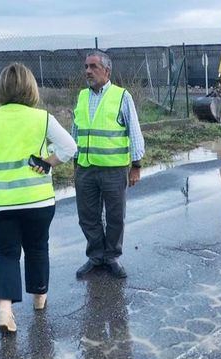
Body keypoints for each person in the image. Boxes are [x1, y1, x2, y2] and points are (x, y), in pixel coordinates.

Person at [0, 62, 77, 333]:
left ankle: (5, 311)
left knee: (6, 253)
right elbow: (70, 146)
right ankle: (39, 298)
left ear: (2, 88)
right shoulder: (41, 118)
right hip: (37, 201)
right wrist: (49, 162)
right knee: (37, 246)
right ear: (31, 88)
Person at [71, 50, 145, 280]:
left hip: (113, 169)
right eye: (86, 66)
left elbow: (134, 131)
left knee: (114, 216)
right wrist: (74, 159)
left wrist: (136, 165)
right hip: (85, 167)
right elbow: (76, 130)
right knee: (88, 215)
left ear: (107, 71)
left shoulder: (122, 96)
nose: (88, 71)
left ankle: (111, 256)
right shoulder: (82, 96)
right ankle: (96, 256)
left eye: (93, 66)